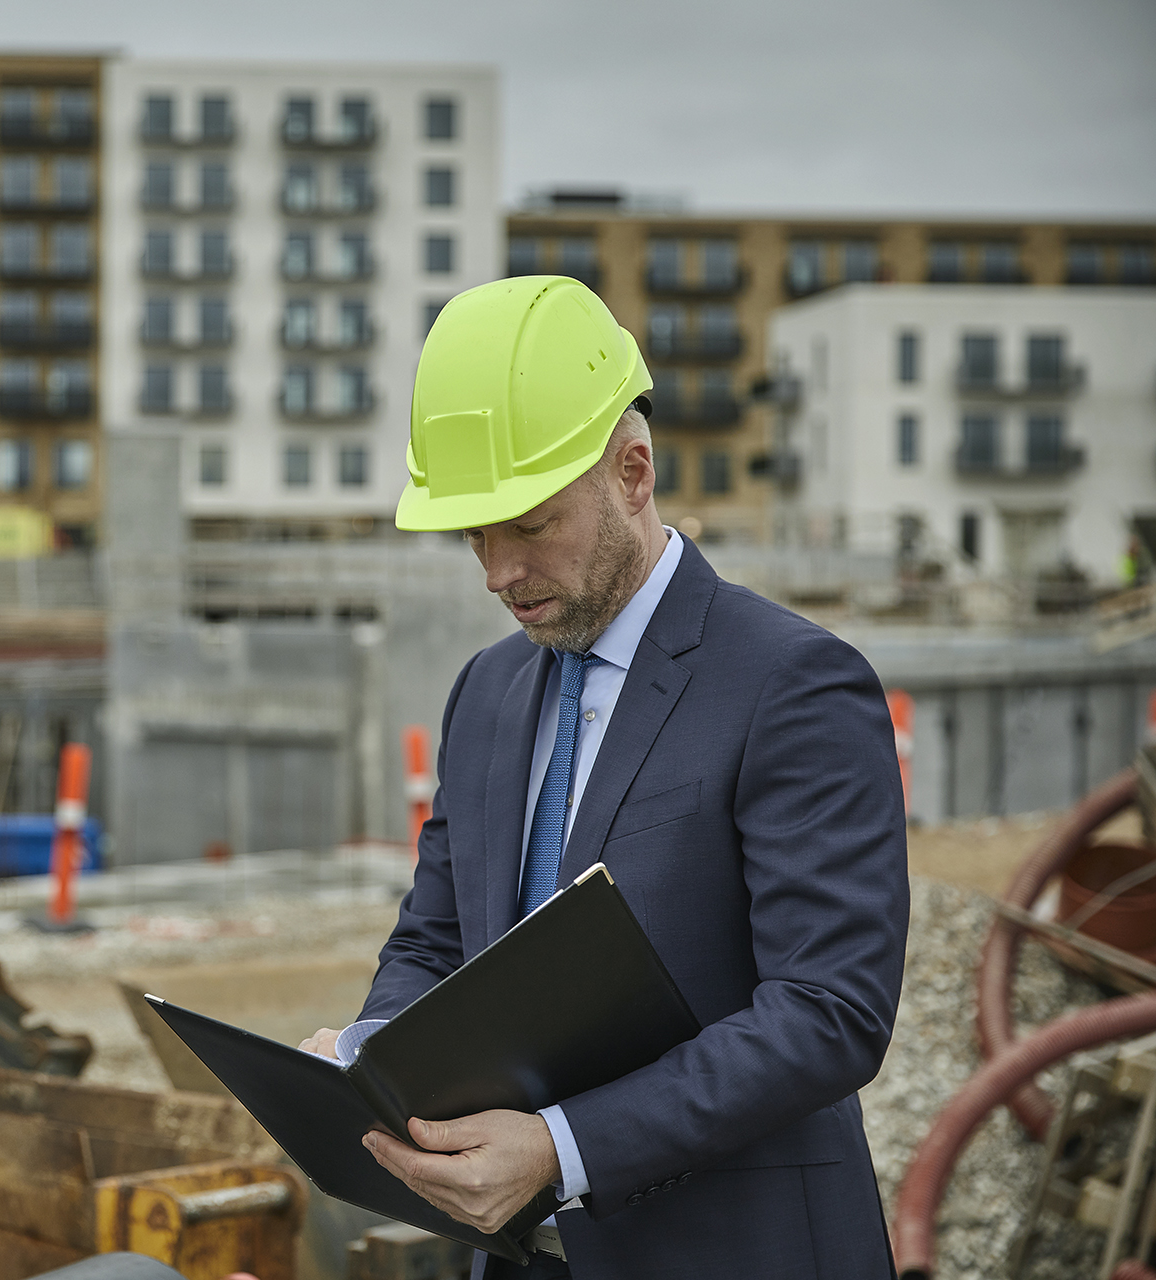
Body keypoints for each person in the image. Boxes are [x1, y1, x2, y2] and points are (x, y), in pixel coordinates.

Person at [300, 277, 909, 1279]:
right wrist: (375, 1056)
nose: (498, 570)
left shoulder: (793, 682)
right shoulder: (488, 690)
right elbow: (436, 935)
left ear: (632, 471)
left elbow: (828, 1008)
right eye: (474, 535)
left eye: (529, 523)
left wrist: (561, 1147)